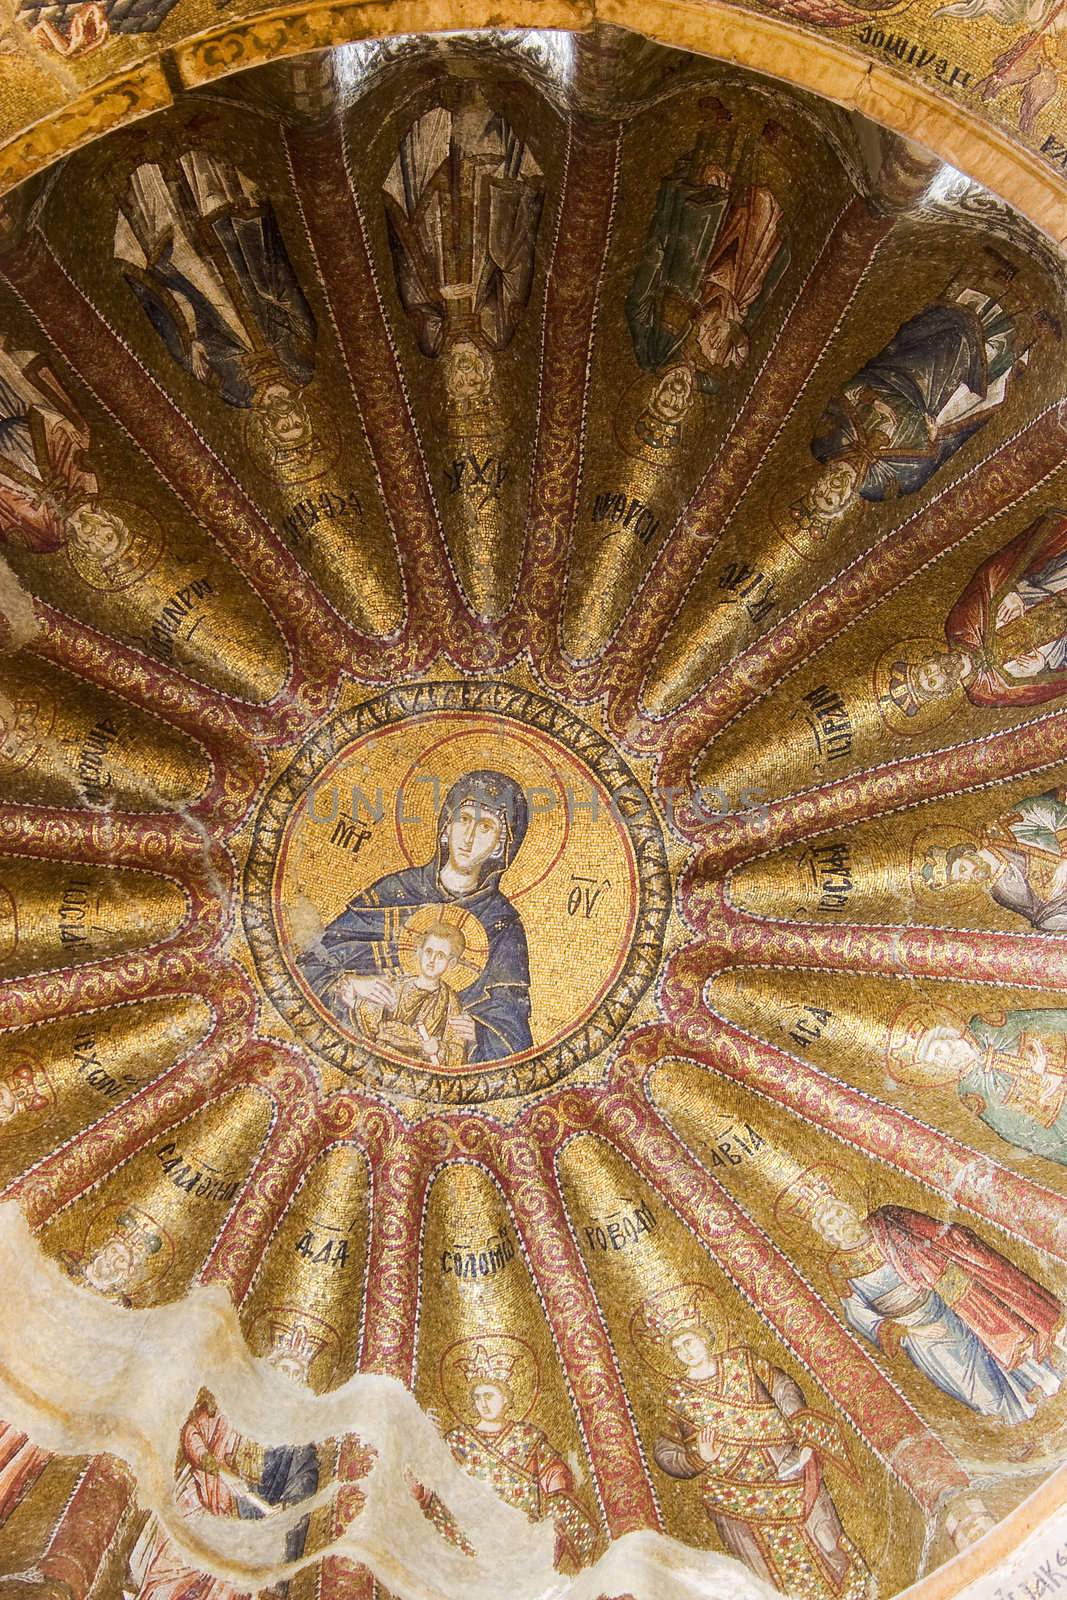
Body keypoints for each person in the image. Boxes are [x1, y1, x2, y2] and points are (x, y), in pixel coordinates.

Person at [640, 1291, 869, 1600]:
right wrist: (697, 1458)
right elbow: (664, 1452)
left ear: (705, 1338)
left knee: (826, 1542)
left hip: (788, 1470)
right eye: (677, 1348)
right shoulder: (676, 1398)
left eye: (689, 1341)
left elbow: (783, 1387)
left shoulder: (743, 1361)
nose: (685, 1351)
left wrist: (800, 1434)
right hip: (736, 1499)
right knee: (765, 1572)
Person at [299, 771, 532, 1064]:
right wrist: (352, 982)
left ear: (500, 846)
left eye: (485, 826)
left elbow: (512, 1025)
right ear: (446, 827)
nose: (469, 837)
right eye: (463, 820)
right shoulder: (395, 890)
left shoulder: (502, 924)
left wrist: (479, 1033)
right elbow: (311, 961)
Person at [797, 1176, 1063, 1421]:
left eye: (839, 1213)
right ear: (825, 1234)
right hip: (918, 1335)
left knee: (994, 1341)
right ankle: (1011, 1419)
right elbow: (857, 1313)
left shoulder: (886, 1221)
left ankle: (1035, 1391)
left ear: (851, 1209)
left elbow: (937, 1235)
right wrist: (907, 1330)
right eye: (830, 1223)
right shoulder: (839, 1270)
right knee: (978, 1391)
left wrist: (956, 1254)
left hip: (947, 1303)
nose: (839, 1224)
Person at [808, 277, 1036, 510]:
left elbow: (841, 398)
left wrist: (872, 398)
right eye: (831, 501)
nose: (831, 490)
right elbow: (918, 473)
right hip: (928, 410)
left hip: (896, 379)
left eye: (821, 493)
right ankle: (1014, 325)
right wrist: (932, 436)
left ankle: (984, 293)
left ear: (818, 484)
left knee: (943, 345)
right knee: (960, 389)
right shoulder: (876, 488)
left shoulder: (825, 445)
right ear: (845, 501)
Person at [115, 152, 316, 412]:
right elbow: (296, 309)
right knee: (214, 202)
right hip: (245, 265)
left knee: (173, 239)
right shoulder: (301, 368)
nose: (284, 415)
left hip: (200, 287)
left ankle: (146, 173)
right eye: (295, 423)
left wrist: (192, 346)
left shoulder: (235, 391)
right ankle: (191, 156)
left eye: (282, 427)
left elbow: (197, 353)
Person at [882, 510, 1067, 719]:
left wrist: (1010, 592)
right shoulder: (984, 693)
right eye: (932, 683)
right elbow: (1040, 691)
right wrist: (1043, 665)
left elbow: (987, 578)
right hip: (1058, 646)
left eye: (926, 671)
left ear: (925, 661)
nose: (937, 672)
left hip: (1049, 587)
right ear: (942, 693)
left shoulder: (958, 627)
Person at [442, 1343, 595, 1572]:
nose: (483, 1403)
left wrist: (553, 1490)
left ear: (506, 1398)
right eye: (477, 1397)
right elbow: (438, 1480)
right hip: (474, 1531)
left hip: (524, 1533)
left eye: (489, 1396)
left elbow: (553, 1472)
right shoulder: (458, 1440)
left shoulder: (527, 1437)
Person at [889, 1004, 1067, 1166]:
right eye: (936, 1062)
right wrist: (1045, 1094)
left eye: (939, 1052)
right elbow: (1013, 1127)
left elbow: (1037, 1021)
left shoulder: (984, 1026)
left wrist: (1045, 1058)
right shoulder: (971, 1091)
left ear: (947, 1036)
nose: (945, 1060)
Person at [921, 787, 1067, 932]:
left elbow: (1056, 813)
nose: (967, 877)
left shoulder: (1009, 825)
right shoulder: (1001, 892)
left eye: (963, 869)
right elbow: (1043, 912)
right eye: (960, 879)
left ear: (967, 853)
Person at [354, 921, 472, 1069]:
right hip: (380, 1059)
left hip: (417, 1070)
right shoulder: (396, 985)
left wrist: (438, 1048)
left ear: (452, 963)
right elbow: (370, 1024)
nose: (432, 960)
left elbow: (456, 1053)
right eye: (429, 951)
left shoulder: (450, 1002)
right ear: (420, 952)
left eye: (440, 955)